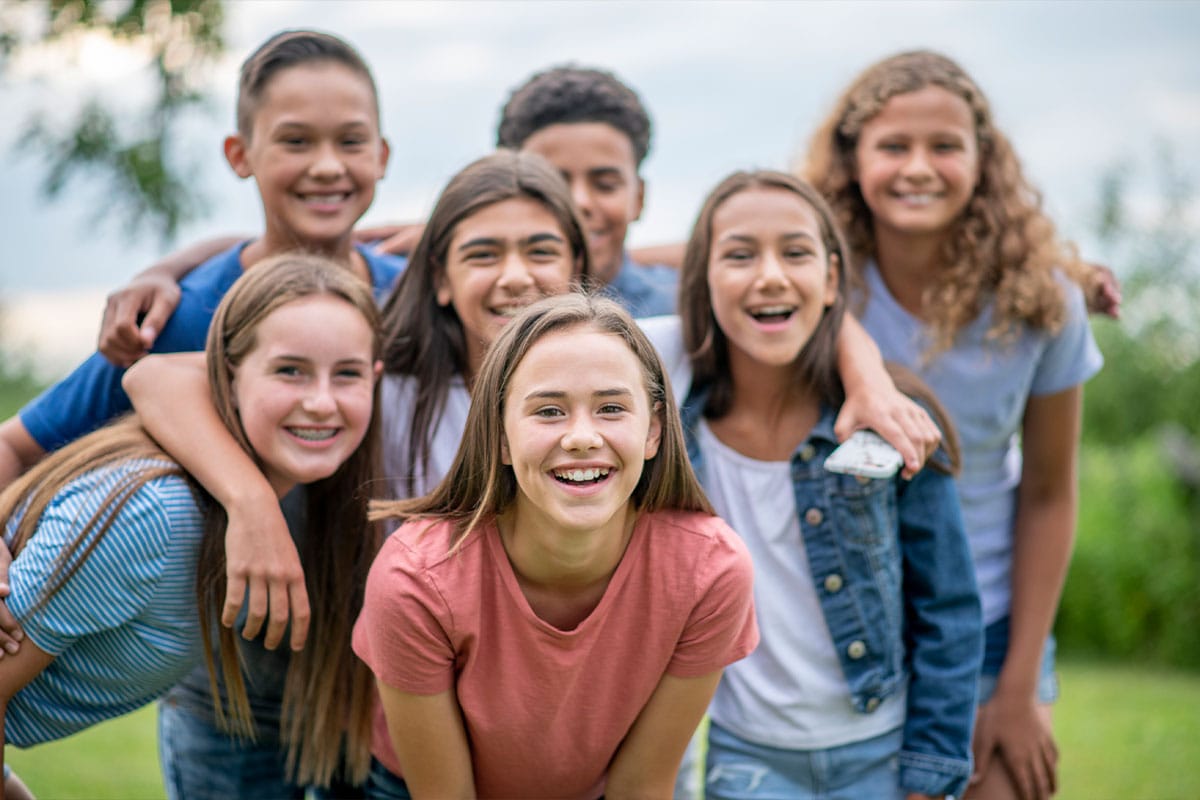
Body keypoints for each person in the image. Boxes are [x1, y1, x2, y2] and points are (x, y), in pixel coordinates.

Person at [0, 29, 400, 652]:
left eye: (350, 141)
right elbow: (15, 446)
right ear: (240, 154)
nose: (327, 165)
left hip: (373, 680)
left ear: (381, 155)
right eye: (296, 141)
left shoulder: (415, 299)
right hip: (220, 692)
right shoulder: (179, 313)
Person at [802, 50, 1104, 800]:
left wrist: (1019, 684)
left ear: (983, 160)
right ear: (852, 162)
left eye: (944, 145)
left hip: (991, 622)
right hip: (850, 616)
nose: (919, 167)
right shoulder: (814, 282)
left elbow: (1047, 493)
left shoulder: (1045, 305)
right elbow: (711, 250)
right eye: (893, 146)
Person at [639, 170, 981, 799]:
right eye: (739, 255)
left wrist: (932, 770)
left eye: (794, 252)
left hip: (883, 752)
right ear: (704, 281)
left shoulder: (892, 420)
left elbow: (948, 610)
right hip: (746, 756)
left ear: (830, 281)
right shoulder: (670, 432)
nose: (769, 274)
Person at [0, 254, 383, 799]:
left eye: (345, 374)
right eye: (289, 370)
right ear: (224, 377)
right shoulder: (159, 518)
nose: (321, 403)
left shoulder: (254, 510)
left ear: (375, 380)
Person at [353, 292, 759, 799]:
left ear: (653, 430)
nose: (582, 437)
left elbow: (641, 787)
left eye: (611, 408)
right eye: (548, 411)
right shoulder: (416, 580)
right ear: (499, 436)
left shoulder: (710, 572)